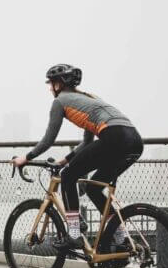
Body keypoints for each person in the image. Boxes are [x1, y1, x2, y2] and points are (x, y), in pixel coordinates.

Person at [11, 64, 143, 249]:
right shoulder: (89, 98)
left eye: (52, 84)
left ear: (59, 84)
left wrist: (26, 157)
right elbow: (87, 143)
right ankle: (121, 238)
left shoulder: (60, 101)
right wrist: (64, 161)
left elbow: (49, 139)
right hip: (135, 141)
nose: (50, 88)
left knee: (67, 177)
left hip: (114, 137)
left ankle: (74, 234)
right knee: (94, 189)